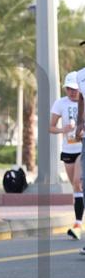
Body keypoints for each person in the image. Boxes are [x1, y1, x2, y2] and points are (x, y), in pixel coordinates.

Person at [50, 71, 82, 239]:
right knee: (76, 188)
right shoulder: (60, 103)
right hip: (68, 150)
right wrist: (63, 129)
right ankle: (79, 223)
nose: (72, 92)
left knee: (77, 182)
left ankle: (77, 225)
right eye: (69, 89)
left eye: (74, 89)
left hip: (82, 149)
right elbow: (51, 127)